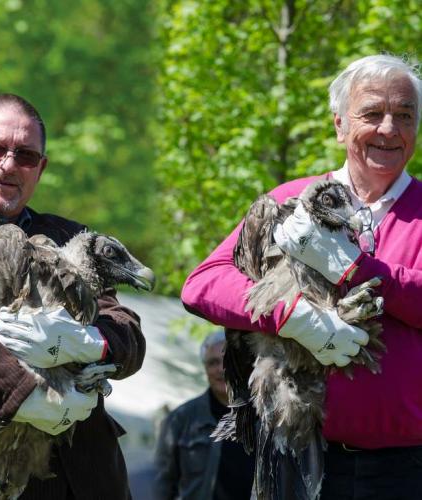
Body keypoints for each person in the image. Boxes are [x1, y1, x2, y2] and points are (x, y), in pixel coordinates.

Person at [181, 54, 422, 499]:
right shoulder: (289, 201)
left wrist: (358, 270)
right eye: (371, 113)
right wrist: (289, 314)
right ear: (339, 125)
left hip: (407, 467)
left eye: (404, 115)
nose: (389, 129)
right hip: (298, 458)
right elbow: (203, 284)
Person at [0, 94, 145, 499]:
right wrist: (24, 394)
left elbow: (128, 329)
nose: (8, 165)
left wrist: (94, 344)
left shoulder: (70, 236)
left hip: (84, 477)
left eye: (25, 156)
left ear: (40, 169)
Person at [153, 330, 255, 499]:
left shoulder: (267, 419)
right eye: (213, 362)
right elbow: (160, 485)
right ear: (205, 368)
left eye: (229, 360)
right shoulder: (180, 419)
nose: (222, 369)